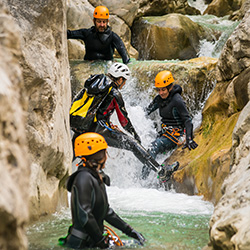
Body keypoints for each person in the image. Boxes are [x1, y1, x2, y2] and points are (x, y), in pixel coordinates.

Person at [71, 62, 178, 181]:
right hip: (98, 130)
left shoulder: (95, 84)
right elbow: (124, 120)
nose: (124, 83)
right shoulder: (114, 93)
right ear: (120, 79)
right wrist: (134, 134)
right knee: (133, 144)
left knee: (71, 154)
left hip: (82, 127)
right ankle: (161, 171)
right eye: (125, 80)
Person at [59, 132, 145, 249]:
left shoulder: (96, 176)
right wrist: (102, 242)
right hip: (81, 245)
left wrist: (130, 231)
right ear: (100, 155)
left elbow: (106, 212)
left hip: (92, 242)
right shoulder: (83, 178)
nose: (107, 156)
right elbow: (85, 215)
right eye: (105, 152)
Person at [142, 70, 198, 179]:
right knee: (148, 148)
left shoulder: (177, 100)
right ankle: (147, 176)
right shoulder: (159, 99)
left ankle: (143, 179)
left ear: (170, 87)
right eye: (159, 90)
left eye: (163, 89)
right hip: (165, 134)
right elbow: (146, 111)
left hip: (176, 136)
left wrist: (189, 139)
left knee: (153, 147)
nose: (161, 92)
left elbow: (187, 120)